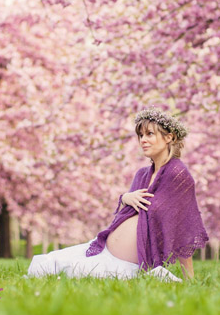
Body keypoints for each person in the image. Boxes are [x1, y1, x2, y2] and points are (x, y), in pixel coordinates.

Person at [26, 107, 209, 281]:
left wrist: (189, 279)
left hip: (125, 264)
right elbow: (128, 213)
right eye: (141, 135)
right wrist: (125, 197)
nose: (143, 140)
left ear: (169, 137)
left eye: (149, 134)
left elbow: (184, 228)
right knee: (47, 263)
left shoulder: (177, 175)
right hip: (103, 249)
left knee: (62, 269)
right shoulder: (142, 175)